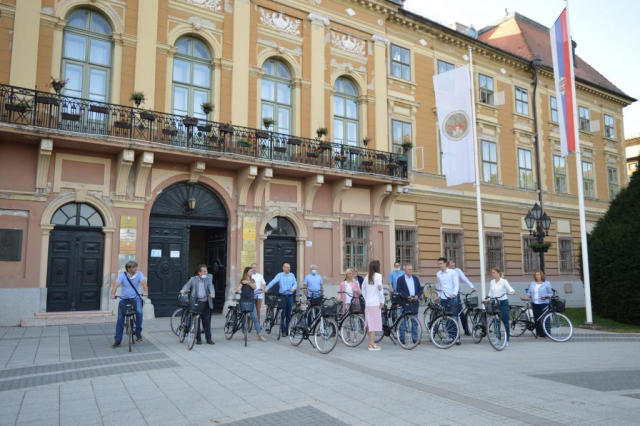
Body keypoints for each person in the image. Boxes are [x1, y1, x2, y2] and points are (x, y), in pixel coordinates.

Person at [111, 261, 148, 348]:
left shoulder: (139, 274)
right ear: (129, 269)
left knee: (139, 312)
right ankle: (117, 340)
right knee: (120, 320)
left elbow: (144, 284)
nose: (136, 269)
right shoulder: (122, 275)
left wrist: (145, 292)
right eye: (134, 267)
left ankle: (138, 331)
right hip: (124, 299)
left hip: (135, 298)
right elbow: (115, 285)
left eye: (136, 267)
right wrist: (113, 294)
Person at [180, 264, 215, 345]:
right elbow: (187, 285)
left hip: (206, 302)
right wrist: (183, 290)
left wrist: (212, 293)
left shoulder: (208, 279)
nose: (206, 273)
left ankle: (208, 338)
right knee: (196, 321)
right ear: (199, 272)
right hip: (196, 302)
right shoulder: (193, 279)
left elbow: (211, 286)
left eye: (206, 271)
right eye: (204, 271)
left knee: (206, 321)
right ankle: (198, 338)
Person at [235, 266, 267, 342]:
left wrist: (248, 282)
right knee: (243, 319)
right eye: (251, 271)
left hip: (251, 301)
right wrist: (235, 290)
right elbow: (238, 288)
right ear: (247, 272)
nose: (252, 273)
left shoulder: (252, 280)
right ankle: (245, 335)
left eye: (252, 271)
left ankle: (259, 335)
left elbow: (254, 287)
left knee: (255, 318)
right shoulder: (242, 281)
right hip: (243, 300)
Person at [265, 262, 298, 336]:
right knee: (283, 314)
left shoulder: (292, 275)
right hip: (282, 296)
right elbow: (273, 282)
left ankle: (287, 330)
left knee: (288, 315)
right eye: (287, 267)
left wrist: (293, 288)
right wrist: (266, 288)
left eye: (289, 267)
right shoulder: (280, 275)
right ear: (283, 268)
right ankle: (283, 330)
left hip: (289, 296)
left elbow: (295, 283)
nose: (288, 268)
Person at [486, 268, 515, 346]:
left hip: (503, 302)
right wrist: (488, 298)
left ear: (498, 273)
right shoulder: (492, 282)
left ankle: (507, 340)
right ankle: (497, 338)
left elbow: (510, 288)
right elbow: (490, 292)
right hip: (495, 303)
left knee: (505, 321)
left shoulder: (503, 281)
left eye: (494, 272)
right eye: (492, 273)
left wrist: (511, 291)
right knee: (496, 321)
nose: (492, 274)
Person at [448, 260, 477, 336]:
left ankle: (466, 329)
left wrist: (472, 287)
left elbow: (464, 279)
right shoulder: (447, 272)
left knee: (461, 312)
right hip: (448, 295)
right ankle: (452, 332)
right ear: (448, 266)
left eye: (453, 265)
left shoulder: (457, 271)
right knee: (451, 314)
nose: (452, 267)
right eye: (451, 266)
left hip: (456, 294)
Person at [436, 257, 460, 345]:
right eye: (438, 264)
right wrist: (438, 296)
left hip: (452, 298)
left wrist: (454, 293)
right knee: (445, 318)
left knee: (454, 317)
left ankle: (457, 338)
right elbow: (440, 286)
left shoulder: (452, 272)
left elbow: (456, 284)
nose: (439, 265)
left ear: (445, 263)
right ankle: (450, 337)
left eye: (441, 263)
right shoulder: (438, 274)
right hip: (443, 298)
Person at [361, 260, 384, 351]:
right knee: (373, 324)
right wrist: (382, 300)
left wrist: (366, 298)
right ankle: (371, 344)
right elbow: (380, 289)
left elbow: (362, 289)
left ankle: (371, 342)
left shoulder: (367, 277)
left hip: (368, 304)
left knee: (369, 323)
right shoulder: (378, 276)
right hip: (375, 303)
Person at [524, 270, 554, 338]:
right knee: (537, 319)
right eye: (536, 275)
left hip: (544, 303)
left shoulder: (547, 283)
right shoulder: (532, 283)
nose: (537, 276)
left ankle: (547, 334)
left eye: (538, 275)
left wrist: (546, 296)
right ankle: (539, 333)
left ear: (541, 275)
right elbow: (529, 292)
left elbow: (551, 293)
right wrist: (527, 295)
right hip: (535, 303)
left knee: (545, 319)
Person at [396, 264, 421, 344]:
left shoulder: (415, 278)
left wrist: (417, 295)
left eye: (411, 269)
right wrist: (407, 296)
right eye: (409, 269)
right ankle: (402, 338)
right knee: (403, 321)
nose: (411, 271)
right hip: (405, 302)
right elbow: (399, 290)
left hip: (414, 301)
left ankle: (415, 338)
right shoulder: (400, 279)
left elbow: (420, 289)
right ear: (405, 271)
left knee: (415, 321)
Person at [339, 269, 362, 343]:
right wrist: (339, 297)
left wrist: (357, 290)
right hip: (346, 303)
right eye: (350, 274)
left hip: (354, 303)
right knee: (347, 321)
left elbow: (360, 293)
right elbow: (340, 293)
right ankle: (348, 336)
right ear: (346, 275)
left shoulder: (356, 283)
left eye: (352, 274)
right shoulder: (343, 283)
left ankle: (355, 337)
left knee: (355, 320)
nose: (351, 275)